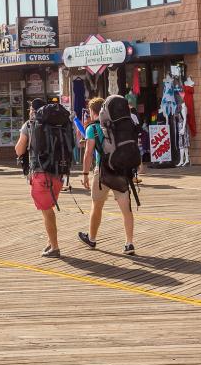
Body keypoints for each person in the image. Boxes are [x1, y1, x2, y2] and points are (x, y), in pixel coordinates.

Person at [79, 96, 136, 256]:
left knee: (97, 206)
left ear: (92, 111)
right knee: (126, 209)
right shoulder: (118, 126)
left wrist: (84, 174)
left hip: (102, 171)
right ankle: (129, 243)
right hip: (121, 170)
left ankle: (92, 238)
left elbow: (88, 153)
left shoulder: (92, 128)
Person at [14, 98, 71, 258]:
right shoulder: (59, 123)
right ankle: (50, 242)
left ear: (33, 110)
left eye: (30, 109)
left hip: (41, 172)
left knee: (47, 211)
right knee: (49, 209)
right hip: (59, 171)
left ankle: (55, 247)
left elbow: (19, 150)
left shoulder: (30, 124)